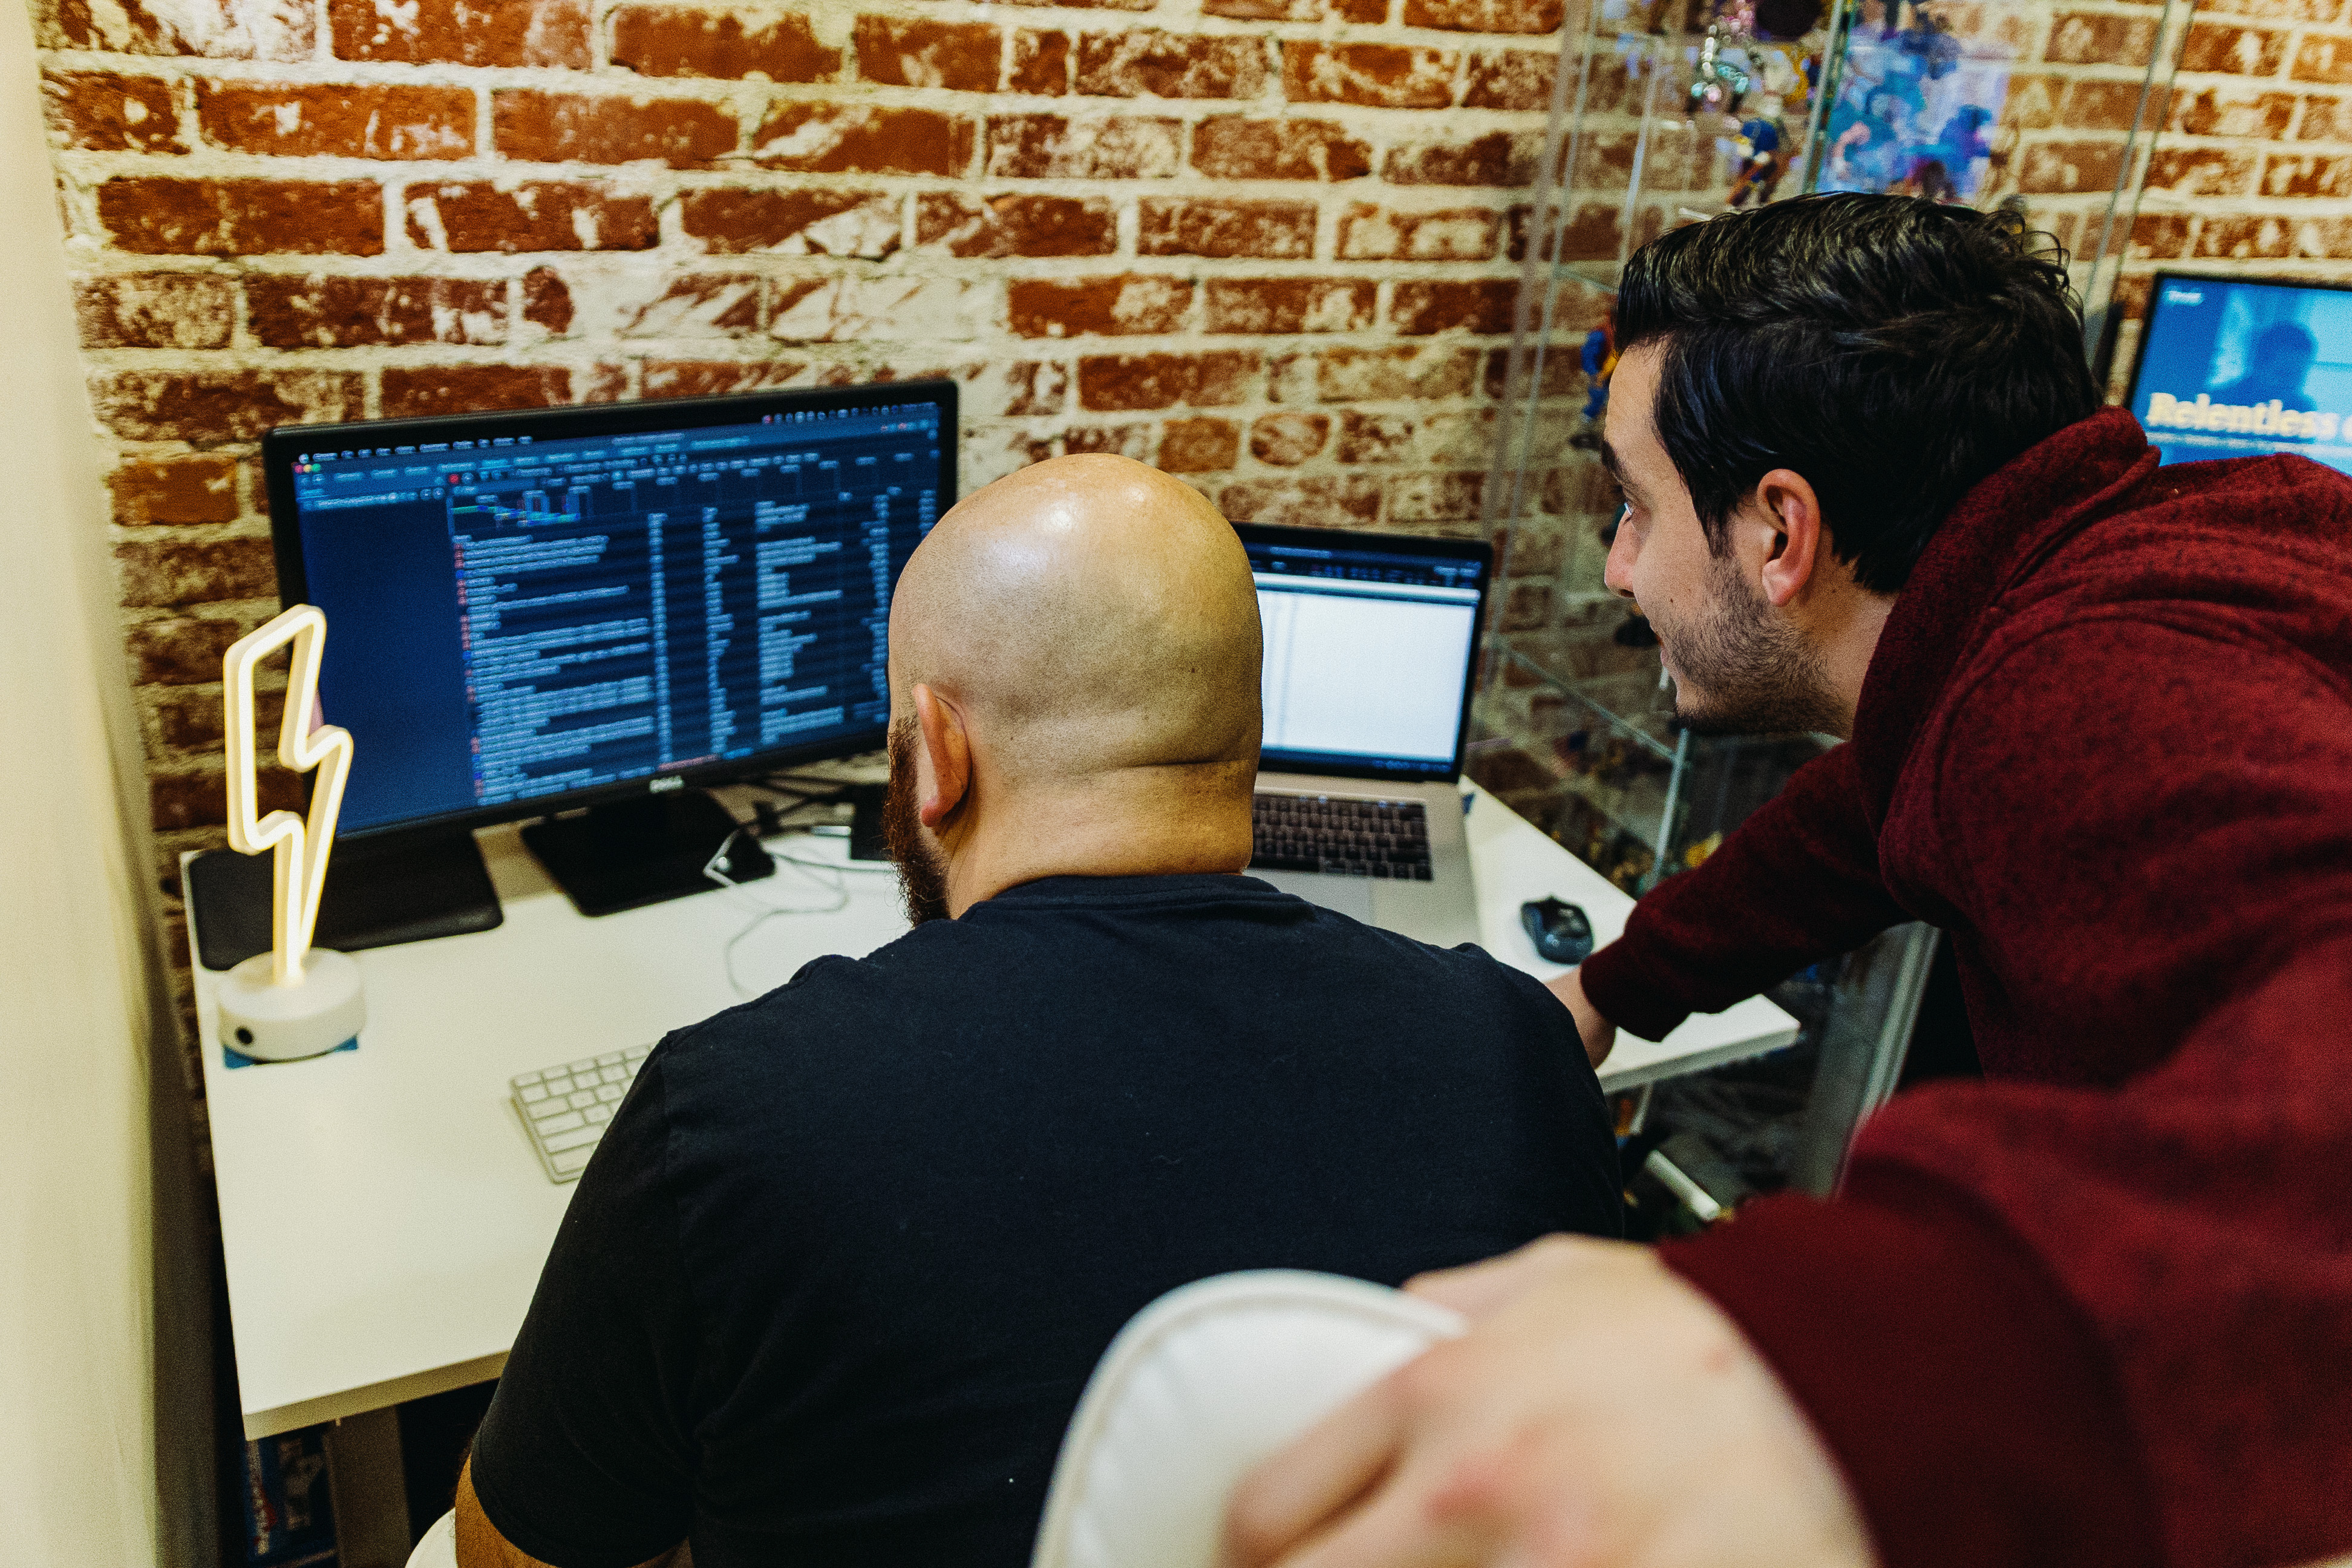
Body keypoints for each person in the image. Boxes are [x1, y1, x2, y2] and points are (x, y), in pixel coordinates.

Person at [1227, 194, 2352, 1568]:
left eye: (1635, 509)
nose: (1616, 567)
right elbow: (1875, 796)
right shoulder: (2118, 576)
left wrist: (1817, 1364)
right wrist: (1614, 985)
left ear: (1780, 534)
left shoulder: (2070, 695)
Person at [450, 454, 1623, 1567]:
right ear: (1242, 740)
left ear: (938, 757)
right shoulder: (1516, 1045)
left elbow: (521, 1548)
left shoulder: (728, 1117)